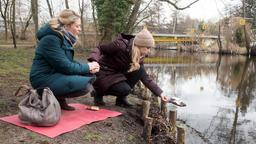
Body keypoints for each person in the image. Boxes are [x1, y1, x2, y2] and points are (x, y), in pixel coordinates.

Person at [29, 9, 100, 111]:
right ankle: (45, 97)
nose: (79, 29)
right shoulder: (51, 39)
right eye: (77, 26)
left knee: (89, 75)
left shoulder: (63, 39)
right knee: (85, 85)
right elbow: (66, 67)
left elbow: (67, 63)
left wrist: (89, 67)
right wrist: (88, 66)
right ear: (67, 25)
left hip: (54, 74)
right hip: (42, 78)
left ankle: (59, 99)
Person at [88, 28, 170, 108]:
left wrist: (161, 93)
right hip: (103, 72)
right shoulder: (120, 46)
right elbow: (100, 48)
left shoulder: (140, 56)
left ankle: (121, 100)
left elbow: (145, 78)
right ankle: (98, 92)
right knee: (124, 89)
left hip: (116, 74)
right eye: (148, 48)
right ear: (140, 45)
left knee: (140, 70)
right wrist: (94, 61)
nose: (149, 51)